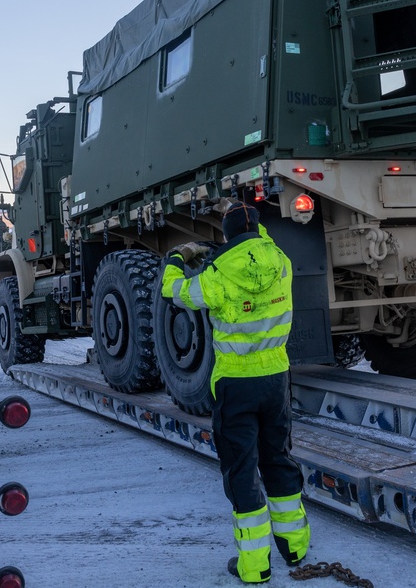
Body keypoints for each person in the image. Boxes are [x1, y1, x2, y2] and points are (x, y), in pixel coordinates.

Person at [161, 201, 310, 584]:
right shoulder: (280, 260)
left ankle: (255, 565)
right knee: (278, 458)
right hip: (276, 378)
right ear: (257, 229)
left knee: (241, 469)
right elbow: (256, 248)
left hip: (235, 385)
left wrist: (178, 258)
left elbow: (176, 294)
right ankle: (295, 546)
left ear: (226, 234)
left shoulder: (218, 273)